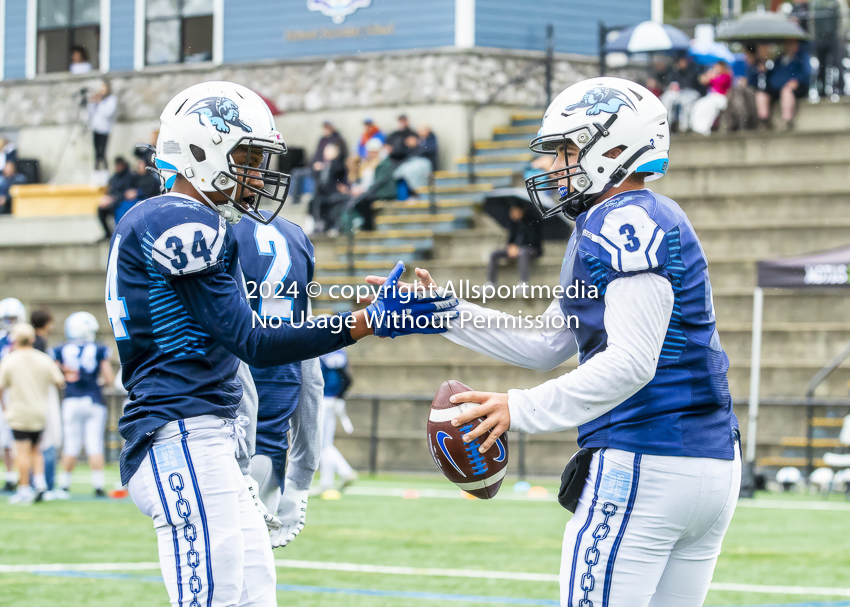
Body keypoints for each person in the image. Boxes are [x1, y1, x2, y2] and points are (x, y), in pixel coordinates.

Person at [377, 78, 741, 607]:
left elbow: (632, 364)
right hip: (706, 461)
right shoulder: (622, 218)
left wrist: (516, 408)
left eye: (566, 150)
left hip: (646, 458)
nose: (550, 167)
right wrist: (445, 313)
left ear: (613, 149)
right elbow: (550, 341)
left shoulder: (624, 221)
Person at [112, 81, 457, 607]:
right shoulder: (175, 218)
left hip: (209, 434)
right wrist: (362, 322)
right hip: (181, 432)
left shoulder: (194, 221)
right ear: (202, 151)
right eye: (247, 158)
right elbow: (252, 340)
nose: (258, 176)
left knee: (255, 596)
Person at [232, 209, 324, 548]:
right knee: (255, 575)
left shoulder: (205, 226)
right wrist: (300, 479)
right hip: (271, 443)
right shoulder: (295, 233)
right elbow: (310, 369)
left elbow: (227, 344)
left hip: (217, 428)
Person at [0, 323, 65, 504]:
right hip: (40, 410)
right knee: (37, 449)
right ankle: (40, 484)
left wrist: (5, 407)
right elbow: (60, 381)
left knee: (21, 451)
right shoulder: (44, 359)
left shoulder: (9, 359)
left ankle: (23, 489)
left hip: (19, 411)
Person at [53, 312, 114, 498]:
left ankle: (64, 485)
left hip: (71, 400)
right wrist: (98, 384)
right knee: (94, 443)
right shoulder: (98, 349)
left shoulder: (60, 349)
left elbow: (55, 377)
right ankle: (98, 485)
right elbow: (109, 379)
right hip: (93, 400)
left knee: (71, 443)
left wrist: (66, 378)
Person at [30, 309, 61, 498]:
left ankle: (37, 482)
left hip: (34, 395)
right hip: (43, 394)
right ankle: (47, 483)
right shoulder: (39, 343)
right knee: (46, 439)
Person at [317, 350, 356, 494]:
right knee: (325, 444)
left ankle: (345, 471)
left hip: (322, 400)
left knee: (321, 445)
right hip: (333, 400)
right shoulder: (340, 352)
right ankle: (326, 483)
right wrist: (339, 396)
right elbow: (347, 379)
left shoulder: (322, 349)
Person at [757, 39, 812, 130]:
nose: (789, 46)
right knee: (761, 95)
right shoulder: (779, 60)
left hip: (795, 87)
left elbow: (806, 73)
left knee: (786, 92)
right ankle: (764, 121)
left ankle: (787, 121)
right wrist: (764, 71)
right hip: (777, 87)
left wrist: (797, 80)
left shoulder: (802, 57)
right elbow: (771, 76)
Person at [487, 202, 542, 287]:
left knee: (523, 252)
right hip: (515, 250)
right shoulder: (513, 223)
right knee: (494, 254)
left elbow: (533, 241)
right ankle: (491, 282)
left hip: (531, 250)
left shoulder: (532, 221)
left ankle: (524, 282)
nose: (512, 214)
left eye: (515, 211)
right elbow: (510, 240)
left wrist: (518, 248)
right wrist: (510, 247)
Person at [309, 143, 349, 234]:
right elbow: (316, 177)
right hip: (322, 193)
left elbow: (338, 172)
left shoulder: (338, 164)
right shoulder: (322, 165)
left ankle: (333, 226)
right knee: (315, 201)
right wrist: (317, 168)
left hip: (334, 193)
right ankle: (318, 224)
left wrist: (329, 163)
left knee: (332, 203)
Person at [659, 55, 705, 132]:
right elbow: (669, 83)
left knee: (685, 102)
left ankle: (684, 126)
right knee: (668, 99)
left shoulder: (694, 71)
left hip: (691, 93)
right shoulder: (675, 72)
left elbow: (695, 85)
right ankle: (668, 123)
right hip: (680, 93)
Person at [691, 60, 733, 136]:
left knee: (710, 108)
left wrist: (710, 77)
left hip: (720, 98)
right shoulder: (715, 75)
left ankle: (705, 128)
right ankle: (696, 126)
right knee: (699, 105)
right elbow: (703, 81)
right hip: (711, 97)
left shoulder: (726, 76)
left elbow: (720, 82)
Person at [97, 156, 136, 239]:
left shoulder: (129, 177)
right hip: (114, 201)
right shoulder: (114, 177)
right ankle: (108, 233)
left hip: (121, 202)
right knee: (101, 209)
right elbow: (110, 190)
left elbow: (128, 193)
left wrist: (114, 198)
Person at [87, 81, 118, 172]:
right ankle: (96, 170)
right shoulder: (98, 100)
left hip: (104, 129)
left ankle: (105, 171)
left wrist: (100, 102)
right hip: (95, 128)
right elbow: (91, 112)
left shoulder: (111, 99)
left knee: (103, 152)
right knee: (96, 153)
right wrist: (92, 102)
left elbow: (107, 113)